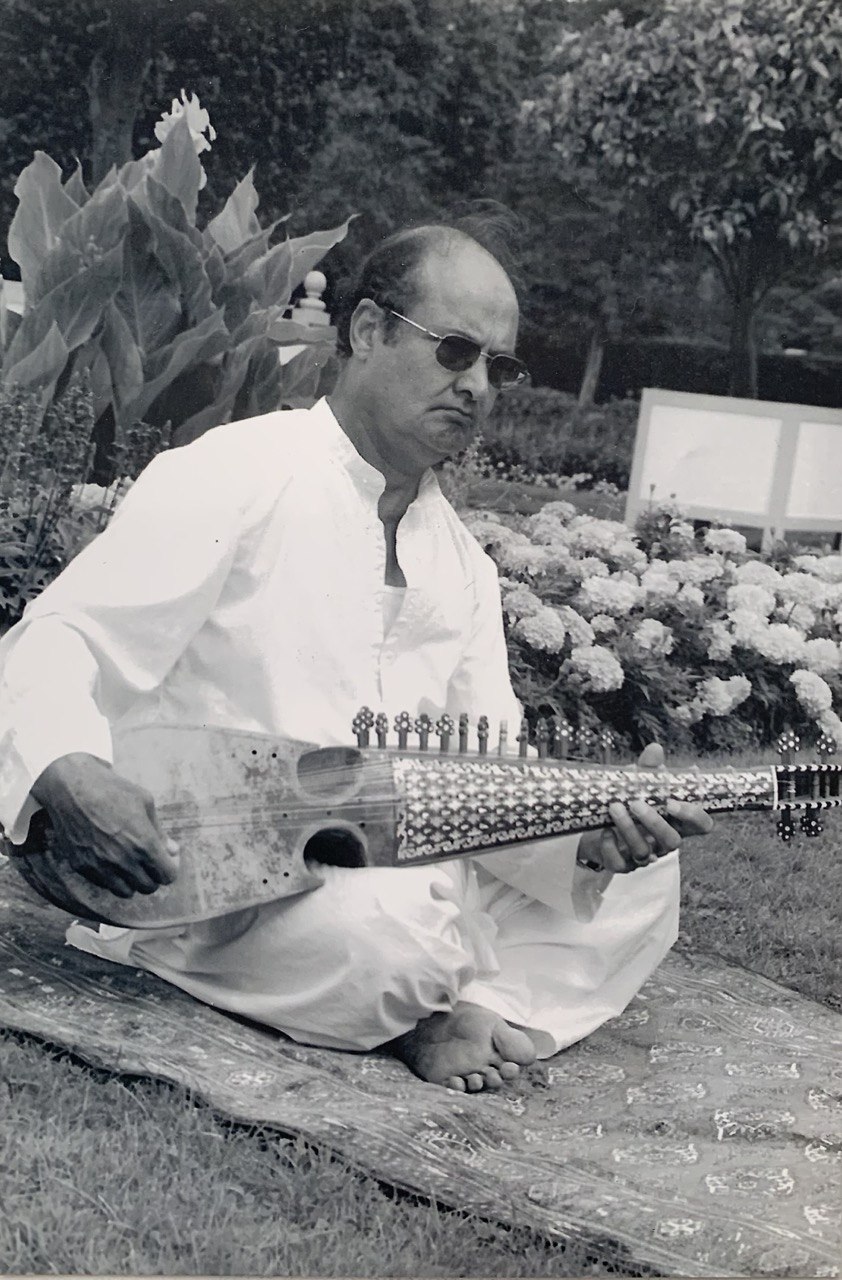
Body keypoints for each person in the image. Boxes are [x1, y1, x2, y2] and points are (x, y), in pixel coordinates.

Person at [0, 221, 713, 1093]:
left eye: (500, 367)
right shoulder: (238, 474)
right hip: (218, 881)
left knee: (641, 883)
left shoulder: (463, 567)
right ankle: (448, 1000)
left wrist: (589, 845)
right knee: (397, 935)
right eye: (456, 351)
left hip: (403, 862)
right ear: (369, 331)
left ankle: (451, 1003)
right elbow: (62, 633)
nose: (478, 386)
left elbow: (483, 787)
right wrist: (69, 772)